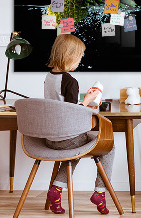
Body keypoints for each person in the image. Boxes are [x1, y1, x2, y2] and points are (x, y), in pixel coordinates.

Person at [44, 34, 115, 215]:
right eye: (79, 57)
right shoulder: (70, 81)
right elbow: (72, 113)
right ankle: (100, 192)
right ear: (70, 57)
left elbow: (61, 106)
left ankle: (57, 190)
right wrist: (89, 100)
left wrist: (85, 102)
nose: (80, 61)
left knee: (74, 150)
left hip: (50, 138)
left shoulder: (49, 77)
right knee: (109, 146)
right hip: (67, 138)